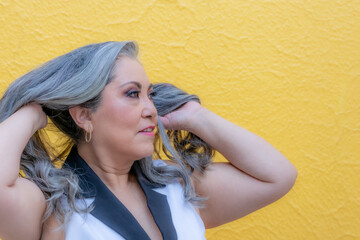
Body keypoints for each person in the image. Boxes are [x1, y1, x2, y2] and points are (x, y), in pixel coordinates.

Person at [0, 41, 297, 240]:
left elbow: (277, 176)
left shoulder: (178, 186)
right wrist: (34, 112)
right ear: (84, 115)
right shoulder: (52, 206)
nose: (150, 109)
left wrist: (194, 115)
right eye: (132, 94)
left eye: (149, 94)